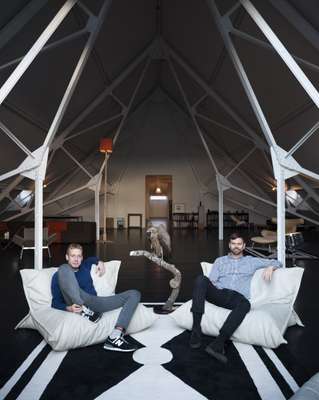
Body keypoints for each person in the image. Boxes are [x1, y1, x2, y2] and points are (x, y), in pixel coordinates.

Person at [190, 232, 282, 363]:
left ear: (244, 246)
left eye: (239, 244)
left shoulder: (251, 261)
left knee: (246, 304)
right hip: (219, 293)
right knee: (201, 279)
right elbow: (212, 281)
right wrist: (215, 287)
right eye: (233, 244)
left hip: (235, 298)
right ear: (229, 245)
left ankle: (218, 344)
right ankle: (196, 329)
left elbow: (277, 262)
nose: (236, 246)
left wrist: (271, 267)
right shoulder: (220, 261)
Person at [51, 243, 141, 352]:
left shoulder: (85, 265)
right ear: (67, 257)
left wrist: (100, 262)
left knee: (134, 294)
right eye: (73, 256)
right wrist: (69, 308)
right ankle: (83, 309)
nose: (76, 259)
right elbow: (55, 302)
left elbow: (93, 259)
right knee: (63, 268)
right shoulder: (59, 276)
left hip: (95, 303)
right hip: (76, 304)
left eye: (79, 256)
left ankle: (115, 336)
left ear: (82, 258)